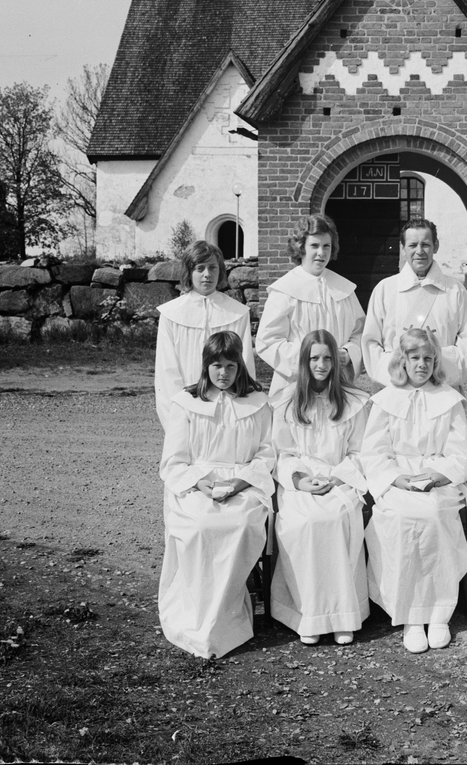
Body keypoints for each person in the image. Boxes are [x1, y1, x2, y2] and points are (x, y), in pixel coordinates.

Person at [158, 331, 274, 659]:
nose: (223, 373)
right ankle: (196, 614)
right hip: (197, 484)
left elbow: (266, 454)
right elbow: (174, 461)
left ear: (241, 367)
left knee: (239, 524)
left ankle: (229, 612)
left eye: (230, 366)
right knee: (198, 526)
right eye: (216, 365)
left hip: (244, 483)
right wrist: (201, 483)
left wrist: (240, 483)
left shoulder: (258, 403)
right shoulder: (186, 403)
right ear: (206, 366)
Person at [360, 328, 467, 654]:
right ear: (403, 361)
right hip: (398, 481)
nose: (421, 365)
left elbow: (461, 453)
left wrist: (439, 475)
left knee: (436, 515)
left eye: (428, 358)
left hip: (437, 481)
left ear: (436, 361)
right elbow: (375, 453)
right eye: (414, 358)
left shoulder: (448, 400)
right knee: (400, 518)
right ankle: (409, 615)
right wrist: (395, 479)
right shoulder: (386, 400)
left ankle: (438, 614)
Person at [271, 329, 371, 645]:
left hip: (340, 479)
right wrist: (300, 481)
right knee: (305, 522)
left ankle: (342, 614)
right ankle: (309, 613)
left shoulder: (354, 402)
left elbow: (360, 452)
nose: (321, 364)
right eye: (314, 357)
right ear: (304, 360)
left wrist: (338, 478)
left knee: (336, 518)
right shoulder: (287, 401)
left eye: (327, 358)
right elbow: (282, 453)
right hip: (301, 482)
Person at [256, 214, 365, 402]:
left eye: (326, 246)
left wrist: (348, 354)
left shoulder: (344, 289)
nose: (321, 253)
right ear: (301, 248)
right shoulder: (285, 290)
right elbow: (268, 341)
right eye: (314, 246)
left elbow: (360, 332)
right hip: (295, 385)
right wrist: (311, 360)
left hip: (337, 384)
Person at [362, 218, 467, 389]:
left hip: (442, 387)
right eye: (412, 245)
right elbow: (371, 341)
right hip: (395, 387)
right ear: (402, 248)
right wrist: (394, 374)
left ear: (435, 246)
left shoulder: (455, 291)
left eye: (425, 244)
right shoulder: (385, 289)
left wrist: (441, 373)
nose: (419, 251)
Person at [155, 240, 256, 432]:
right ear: (189, 272)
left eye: (213, 268)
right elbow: (166, 372)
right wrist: (175, 418)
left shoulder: (237, 313)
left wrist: (240, 411)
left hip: (227, 409)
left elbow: (245, 365)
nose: (207, 274)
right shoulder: (171, 314)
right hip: (185, 408)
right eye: (200, 268)